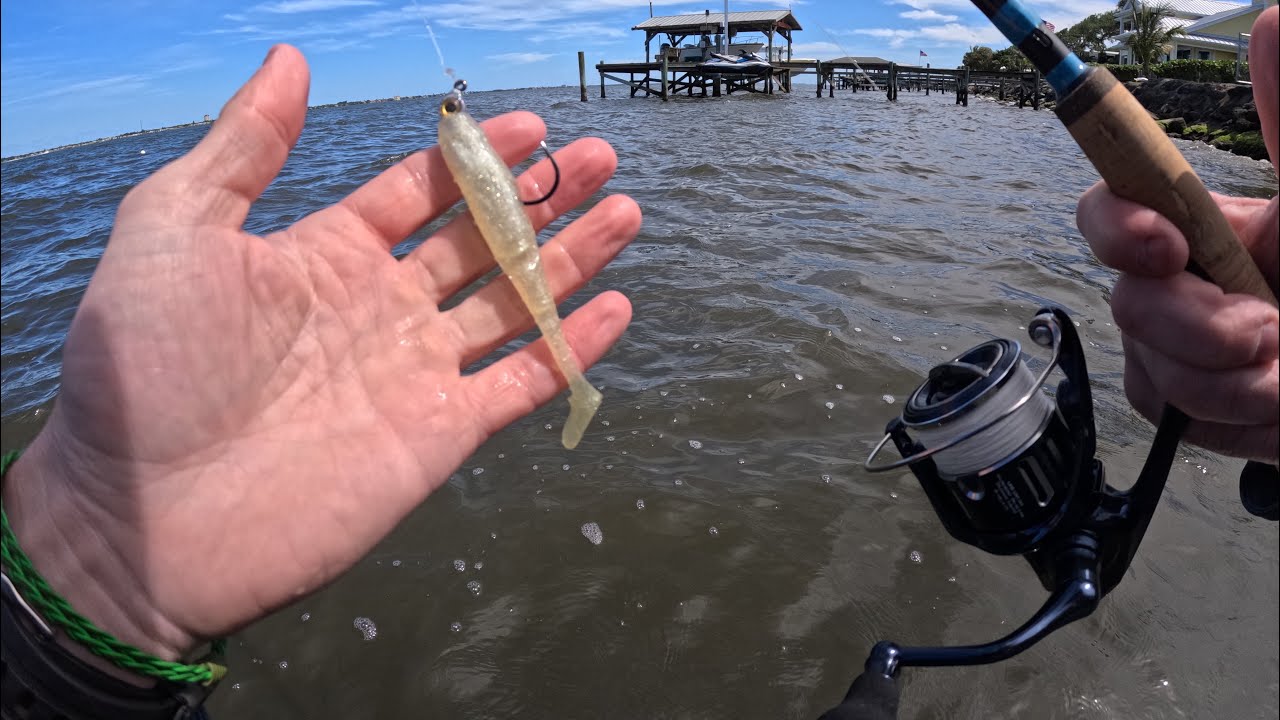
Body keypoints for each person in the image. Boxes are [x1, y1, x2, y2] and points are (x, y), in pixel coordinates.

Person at [1, 8, 1277, 719]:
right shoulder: (467, 150)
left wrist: (93, 580)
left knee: (563, 258)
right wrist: (101, 558)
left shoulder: (464, 148)